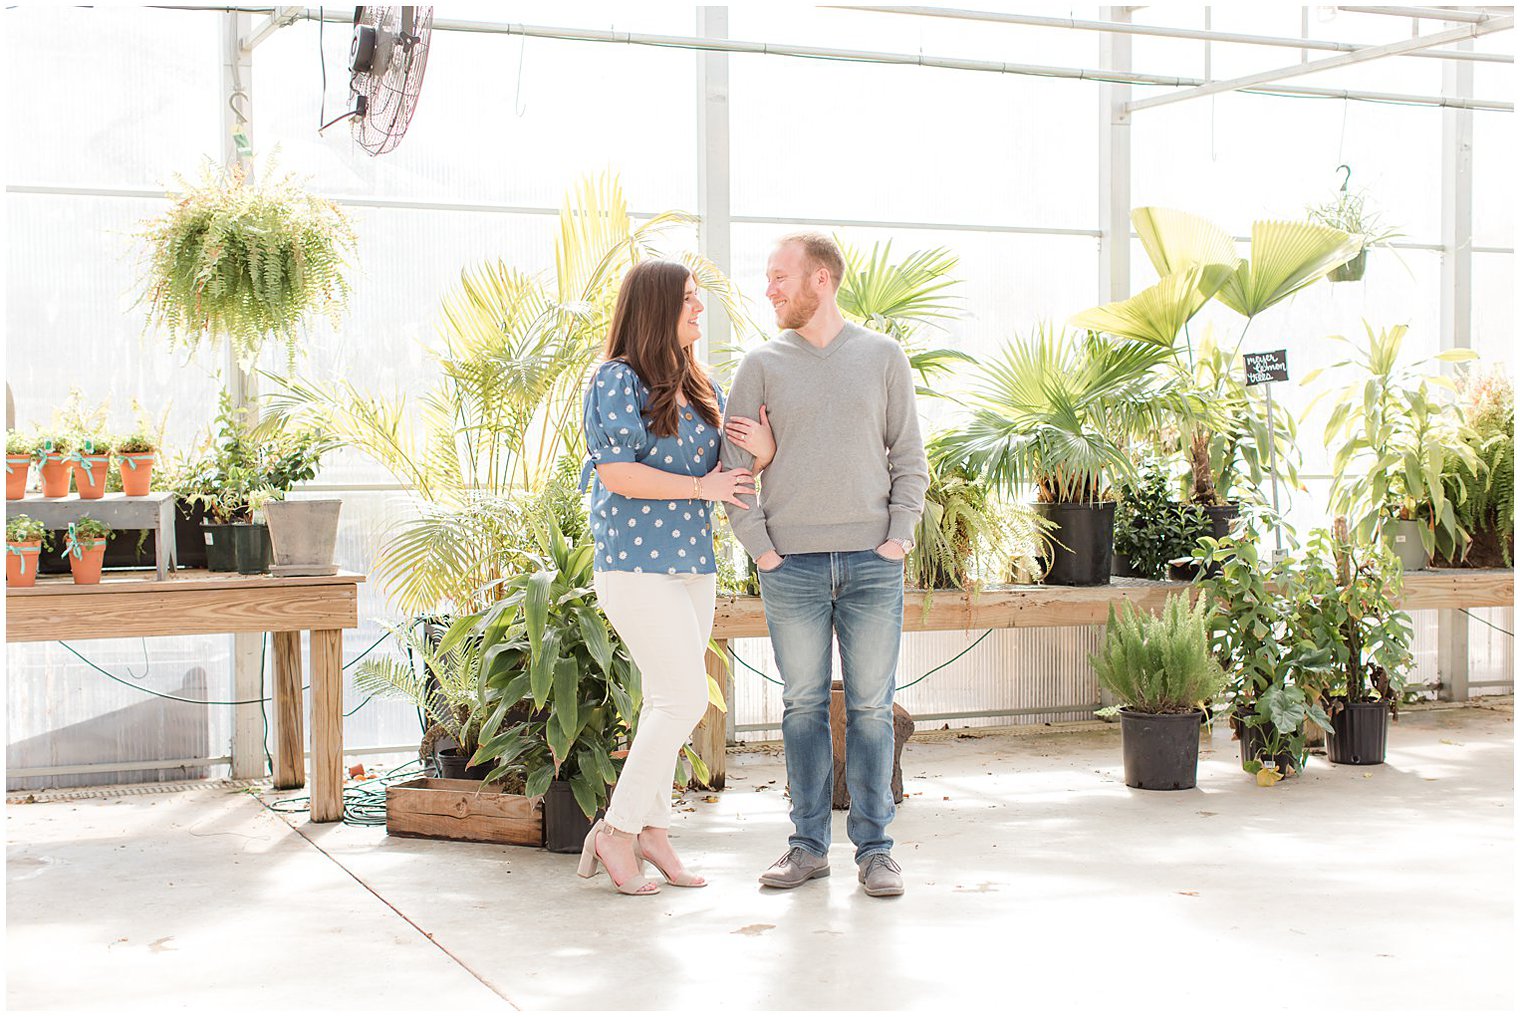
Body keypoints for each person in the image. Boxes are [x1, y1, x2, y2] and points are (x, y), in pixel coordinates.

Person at [720, 232, 929, 899]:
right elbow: (732, 473)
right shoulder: (759, 366)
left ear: (822, 280)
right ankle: (807, 846)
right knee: (802, 705)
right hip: (792, 568)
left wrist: (896, 536)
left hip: (873, 563)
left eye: (781, 276)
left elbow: (909, 457)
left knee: (871, 708)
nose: (770, 288)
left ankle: (876, 850)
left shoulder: (882, 356)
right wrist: (764, 549)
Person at [575, 259, 770, 895]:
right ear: (657, 307)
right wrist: (699, 487)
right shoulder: (615, 380)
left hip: (692, 565)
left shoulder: (696, 381)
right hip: (634, 567)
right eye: (688, 300)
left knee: (667, 701)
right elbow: (617, 475)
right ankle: (617, 831)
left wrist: (760, 455)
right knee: (685, 699)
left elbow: (732, 469)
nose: (699, 309)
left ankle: (654, 832)